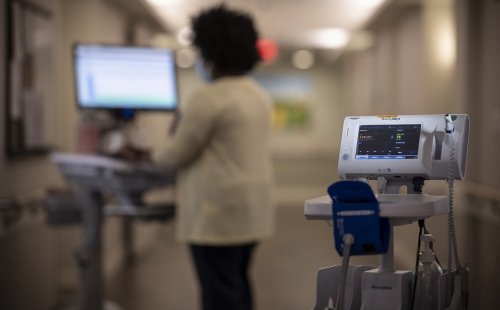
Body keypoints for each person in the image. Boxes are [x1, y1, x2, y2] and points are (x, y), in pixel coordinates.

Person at [153, 4, 275, 310]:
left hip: (216, 216)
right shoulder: (258, 95)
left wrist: (150, 154)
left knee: (219, 296)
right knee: (237, 286)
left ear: (209, 51)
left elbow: (175, 154)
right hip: (251, 211)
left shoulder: (207, 97)